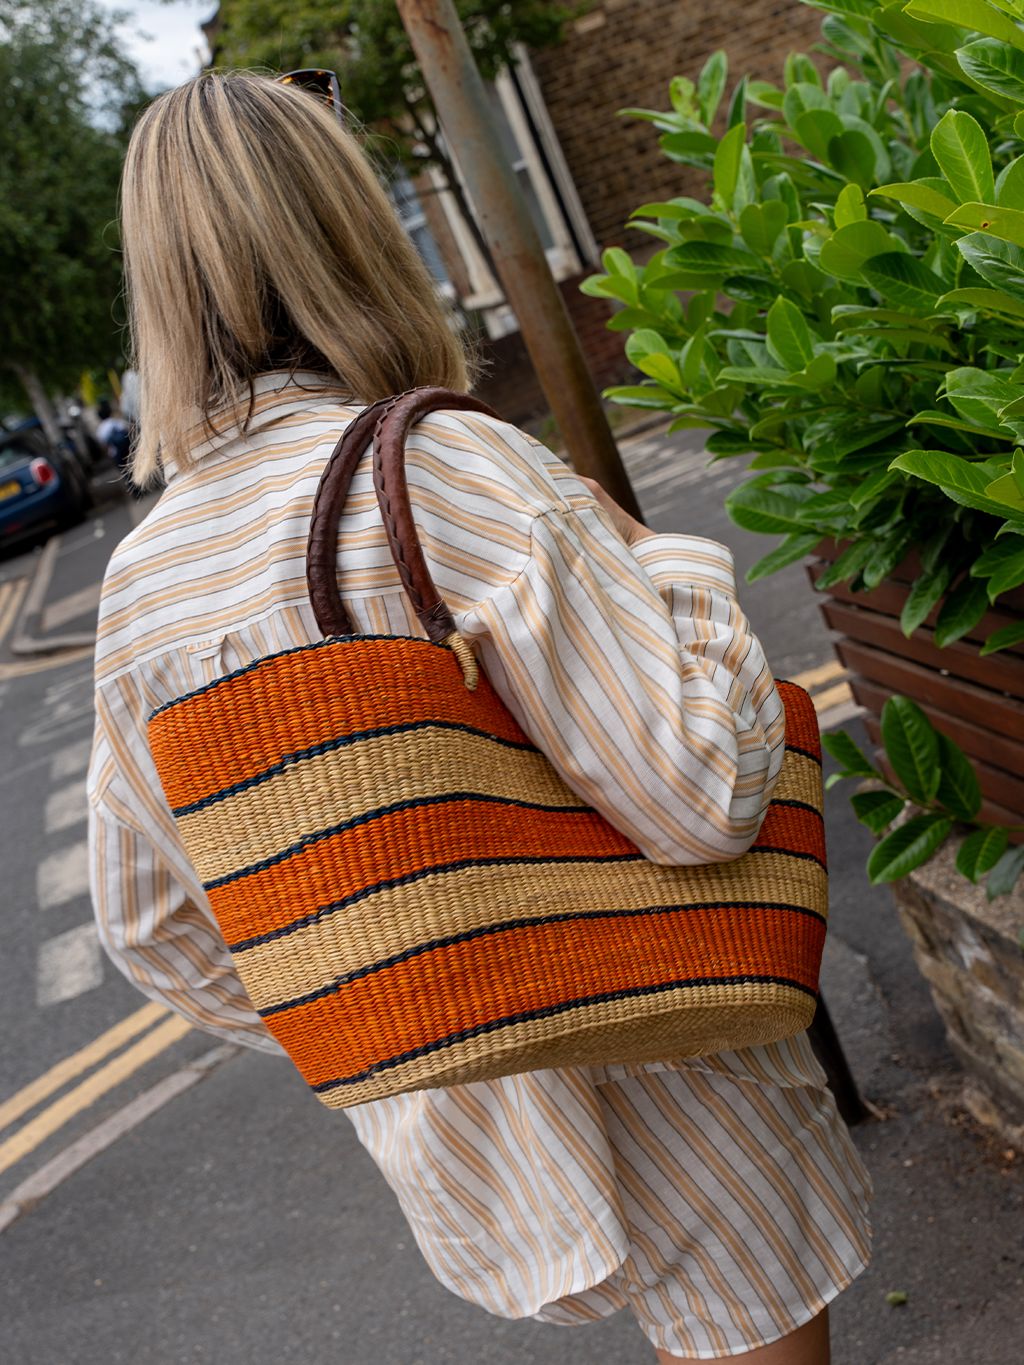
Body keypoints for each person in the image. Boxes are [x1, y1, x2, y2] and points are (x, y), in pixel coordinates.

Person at [87, 71, 871, 1363]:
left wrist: (394, 987)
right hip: (675, 1043)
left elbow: (157, 926)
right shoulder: (444, 465)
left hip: (466, 1112)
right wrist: (670, 567)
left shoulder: (140, 589)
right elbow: (700, 791)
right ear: (350, 229)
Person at [95, 398, 132, 473]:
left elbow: (103, 445)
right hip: (128, 449)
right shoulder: (116, 421)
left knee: (125, 473)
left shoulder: (100, 430)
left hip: (116, 454)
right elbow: (128, 429)